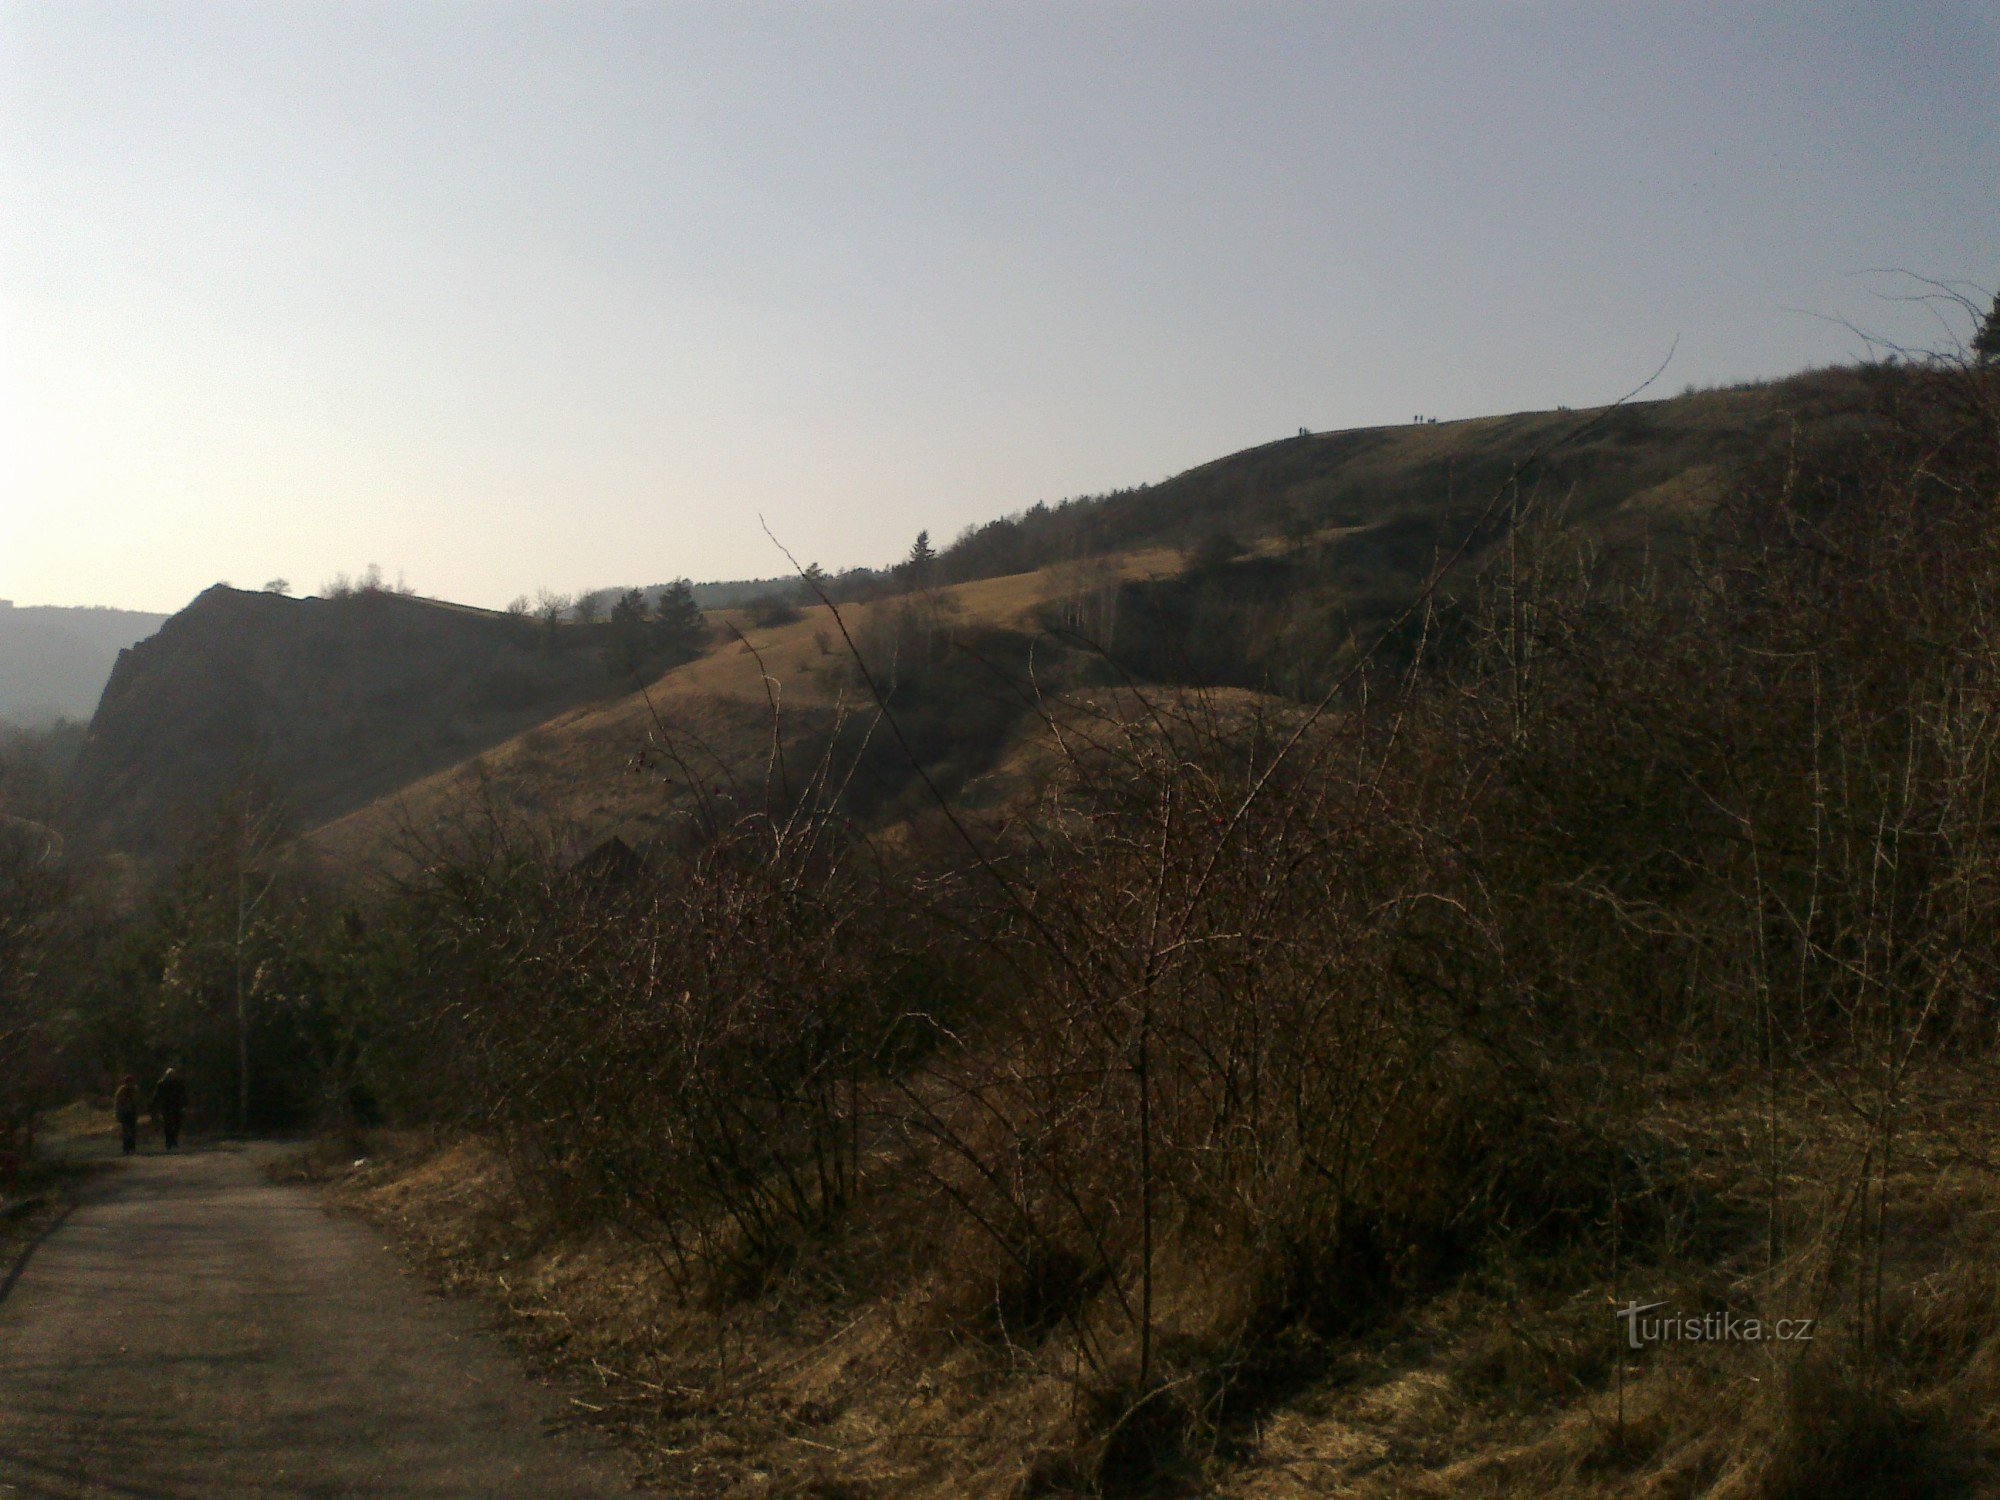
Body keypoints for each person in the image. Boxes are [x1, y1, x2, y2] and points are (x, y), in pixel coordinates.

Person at [150, 1068, 187, 1151]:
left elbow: (183, 1094)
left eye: (173, 1075)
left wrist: (184, 1104)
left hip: (177, 1106)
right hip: (166, 1106)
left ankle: (174, 1139)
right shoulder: (161, 1084)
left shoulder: (179, 1083)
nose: (172, 1076)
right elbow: (157, 1095)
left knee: (177, 1124)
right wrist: (154, 1105)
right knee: (168, 1124)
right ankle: (169, 1142)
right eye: (170, 1075)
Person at [113, 1075, 141, 1155]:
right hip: (124, 1113)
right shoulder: (121, 1091)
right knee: (126, 1131)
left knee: (132, 1131)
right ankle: (126, 1148)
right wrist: (117, 1113)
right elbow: (117, 1103)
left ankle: (132, 1148)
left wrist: (138, 1110)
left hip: (132, 1113)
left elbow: (137, 1102)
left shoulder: (135, 1090)